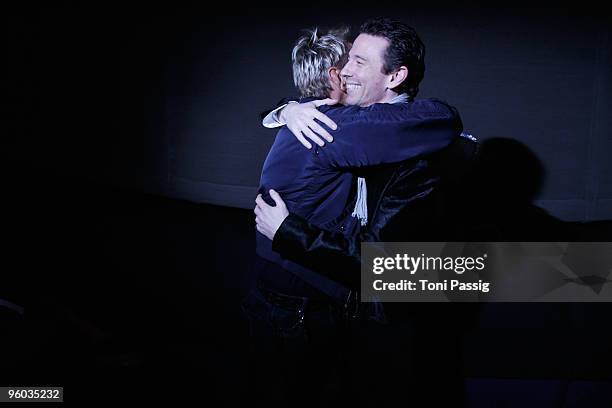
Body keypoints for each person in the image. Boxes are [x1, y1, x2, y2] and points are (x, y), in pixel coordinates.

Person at [254, 18, 477, 406]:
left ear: (395, 77)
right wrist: (285, 109)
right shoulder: (342, 123)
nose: (344, 72)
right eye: (346, 60)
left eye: (359, 61)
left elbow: (383, 266)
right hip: (340, 307)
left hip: (390, 318)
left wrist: (287, 231)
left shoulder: (409, 151)